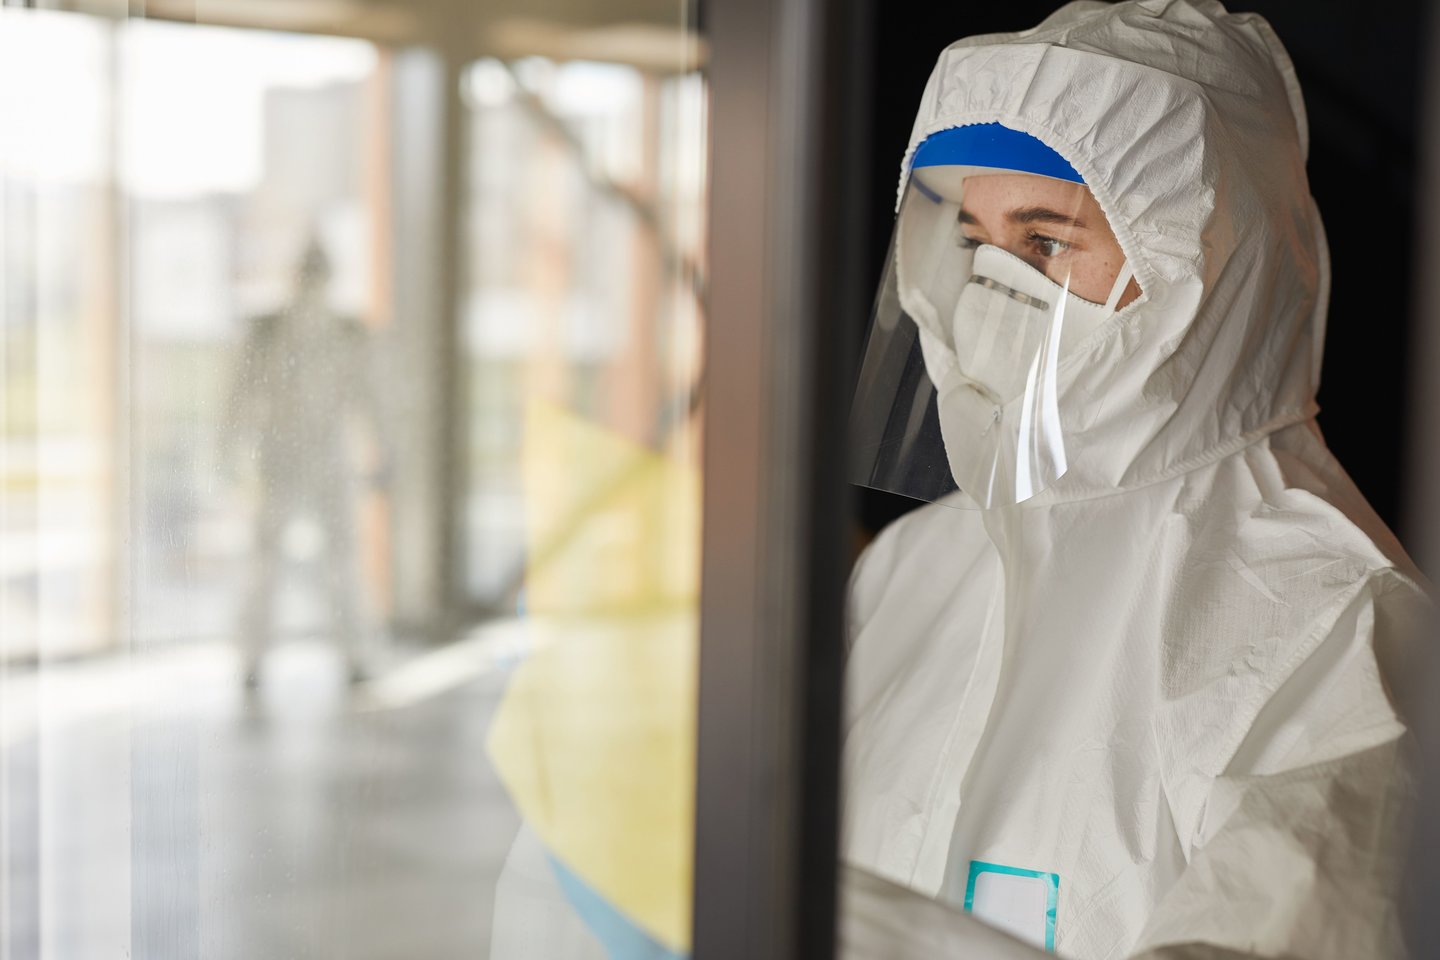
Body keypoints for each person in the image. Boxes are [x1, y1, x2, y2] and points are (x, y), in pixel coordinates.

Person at [843, 1, 1429, 957]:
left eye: (1045, 243)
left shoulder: (1336, 627)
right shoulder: (908, 568)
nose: (991, 288)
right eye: (970, 240)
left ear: (1206, 261)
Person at [221, 237, 387, 687]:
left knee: (343, 561)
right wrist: (229, 455)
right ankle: (252, 656)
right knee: (265, 561)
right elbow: (238, 398)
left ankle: (356, 653)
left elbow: (370, 398)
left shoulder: (348, 334)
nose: (313, 284)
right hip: (280, 456)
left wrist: (384, 451)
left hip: (331, 456)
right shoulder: (267, 333)